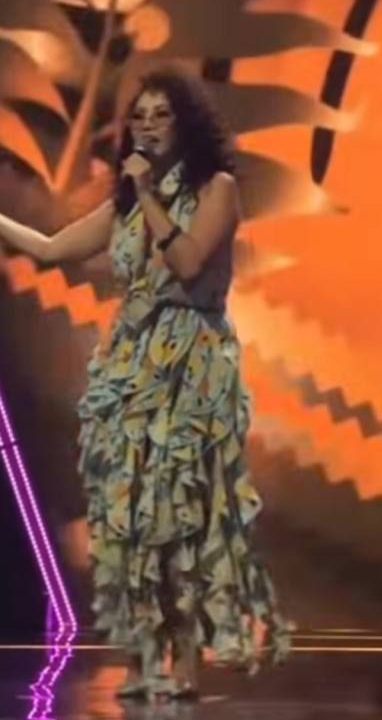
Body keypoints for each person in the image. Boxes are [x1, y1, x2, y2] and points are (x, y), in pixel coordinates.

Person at [0, 70, 290, 699]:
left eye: (161, 115)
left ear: (186, 125)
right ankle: (148, 657)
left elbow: (186, 261)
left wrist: (146, 193)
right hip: (131, 364)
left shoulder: (218, 189)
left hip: (192, 361)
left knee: (178, 515)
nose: (148, 126)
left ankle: (183, 662)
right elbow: (50, 249)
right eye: (140, 116)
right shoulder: (127, 204)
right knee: (133, 517)